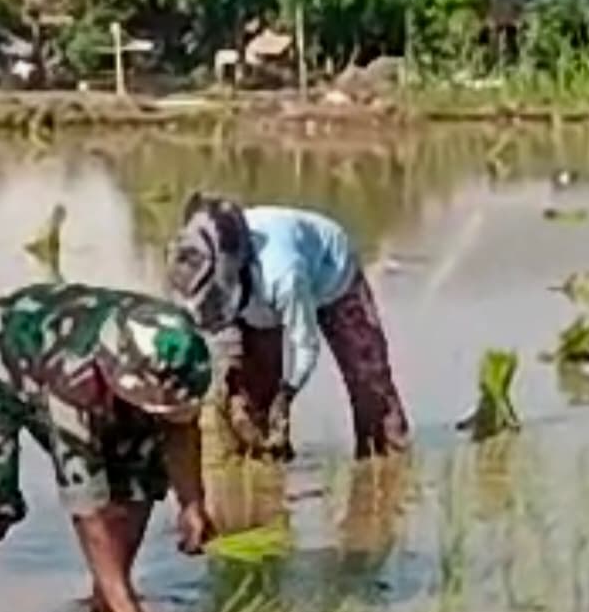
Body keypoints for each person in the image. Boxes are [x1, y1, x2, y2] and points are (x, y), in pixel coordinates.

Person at [0, 281, 217, 612]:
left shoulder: (177, 343)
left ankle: (108, 602)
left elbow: (179, 424)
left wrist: (192, 502)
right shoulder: (73, 384)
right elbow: (87, 509)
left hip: (64, 361)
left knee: (138, 473)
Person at [166, 195, 409, 461]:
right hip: (256, 297)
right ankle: (264, 463)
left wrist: (287, 393)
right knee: (248, 397)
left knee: (369, 383)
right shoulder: (192, 262)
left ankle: (385, 460)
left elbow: (306, 346)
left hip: (331, 274)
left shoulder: (283, 276)